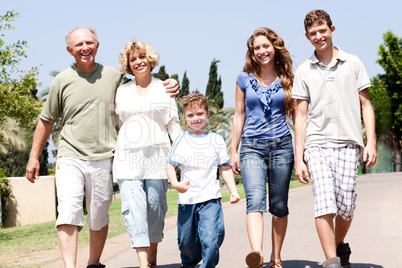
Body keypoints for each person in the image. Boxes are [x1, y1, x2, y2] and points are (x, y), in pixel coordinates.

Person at [25, 28, 178, 268]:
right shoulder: (61, 80)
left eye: (89, 42)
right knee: (68, 211)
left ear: (97, 46)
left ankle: (94, 263)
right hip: (70, 156)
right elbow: (46, 119)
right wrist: (34, 156)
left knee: (99, 216)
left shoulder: (113, 77)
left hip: (104, 157)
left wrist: (170, 84)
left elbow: (143, 87)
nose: (85, 47)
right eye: (79, 44)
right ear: (70, 50)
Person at [293, 10, 377, 268]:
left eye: (322, 30)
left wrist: (371, 141)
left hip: (350, 143)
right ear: (307, 37)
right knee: (324, 202)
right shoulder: (304, 70)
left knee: (346, 206)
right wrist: (299, 157)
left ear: (332, 29)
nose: (319, 36)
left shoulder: (353, 63)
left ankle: (339, 245)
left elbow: (366, 105)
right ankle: (331, 262)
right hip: (317, 144)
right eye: (313, 33)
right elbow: (300, 116)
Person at [113, 40, 182, 268]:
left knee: (155, 208)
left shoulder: (165, 87)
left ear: (150, 60)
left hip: (157, 159)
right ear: (128, 65)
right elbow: (113, 120)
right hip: (128, 159)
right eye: (133, 59)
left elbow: (173, 123)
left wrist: (182, 151)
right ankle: (143, 264)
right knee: (134, 209)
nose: (138, 62)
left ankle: (152, 258)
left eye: (141, 57)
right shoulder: (121, 91)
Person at [230, 27, 295, 268]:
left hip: (282, 146)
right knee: (254, 200)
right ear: (252, 51)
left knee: (279, 205)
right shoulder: (243, 79)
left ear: (275, 47)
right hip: (251, 147)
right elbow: (239, 115)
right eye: (256, 47)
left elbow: (299, 117)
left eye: (265, 46)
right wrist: (233, 149)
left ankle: (275, 258)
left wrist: (301, 153)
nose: (261, 51)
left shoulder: (288, 79)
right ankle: (256, 254)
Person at [166, 93, 240, 268]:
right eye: (190, 115)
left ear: (207, 113)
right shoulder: (182, 140)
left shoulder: (216, 139)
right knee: (186, 241)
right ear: (185, 118)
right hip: (187, 200)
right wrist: (176, 184)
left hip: (210, 199)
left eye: (199, 113)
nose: (196, 118)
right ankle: (190, 263)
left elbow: (225, 167)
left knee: (211, 237)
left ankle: (207, 265)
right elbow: (170, 166)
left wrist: (233, 191)